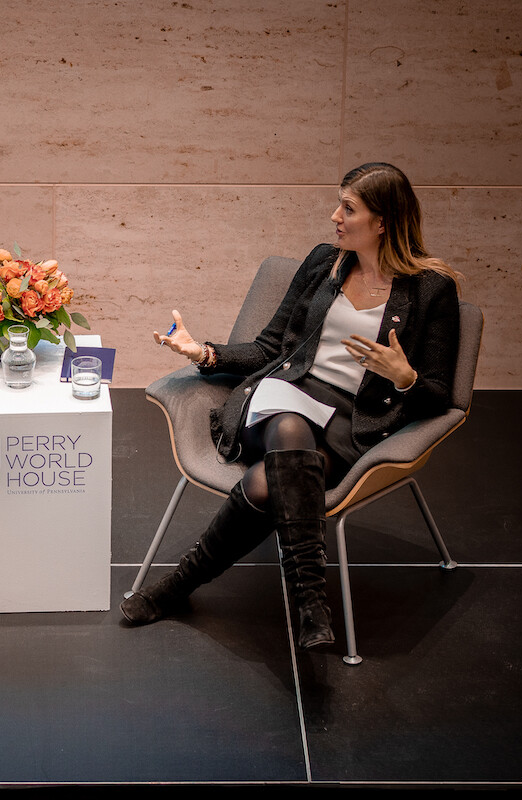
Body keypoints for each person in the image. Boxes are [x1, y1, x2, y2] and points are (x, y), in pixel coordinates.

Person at [123, 162, 461, 649]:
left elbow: (441, 395)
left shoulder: (431, 289)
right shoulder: (326, 263)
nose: (334, 217)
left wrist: (405, 378)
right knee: (287, 422)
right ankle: (310, 603)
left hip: (352, 421)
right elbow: (268, 349)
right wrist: (206, 353)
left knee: (264, 485)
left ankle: (179, 586)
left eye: (348, 208)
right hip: (284, 393)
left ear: (383, 221)